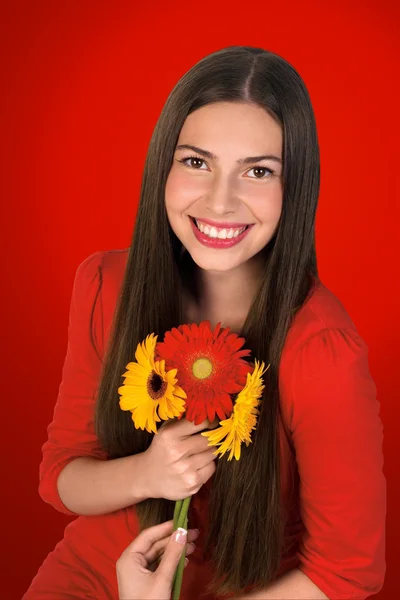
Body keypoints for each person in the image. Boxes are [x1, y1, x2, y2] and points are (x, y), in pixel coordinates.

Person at [23, 45, 386, 600]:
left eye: (258, 171)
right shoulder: (104, 286)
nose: (220, 202)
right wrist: (147, 473)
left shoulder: (322, 351)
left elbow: (347, 570)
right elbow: (61, 477)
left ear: (296, 190)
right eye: (196, 162)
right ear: (162, 166)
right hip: (94, 574)